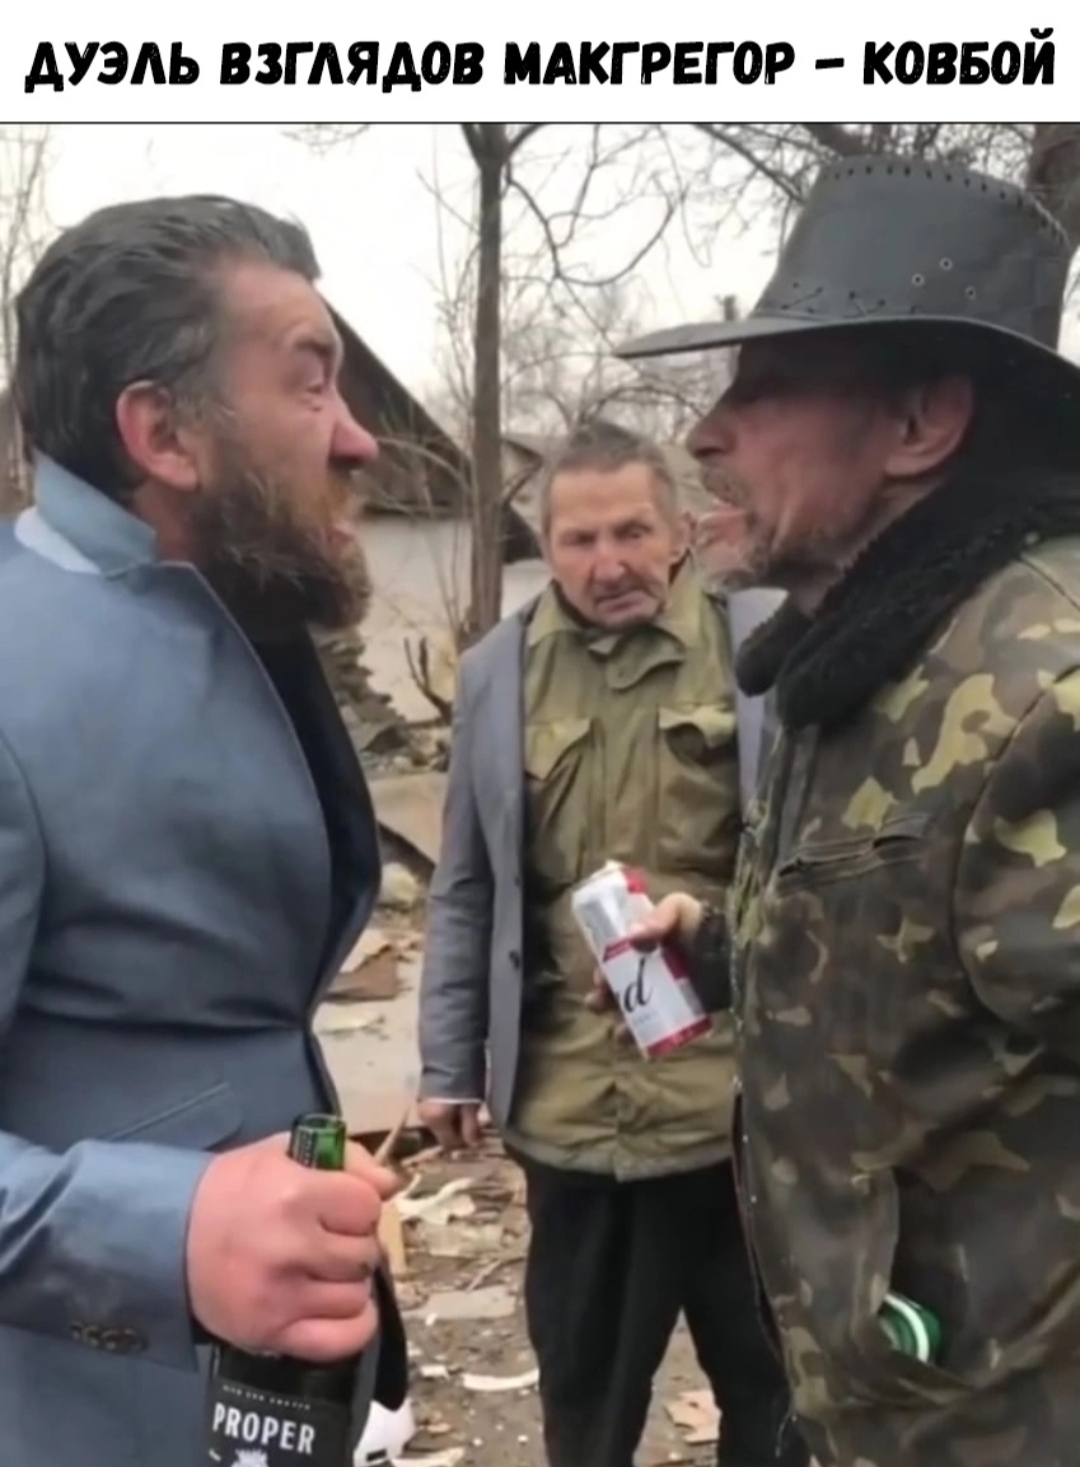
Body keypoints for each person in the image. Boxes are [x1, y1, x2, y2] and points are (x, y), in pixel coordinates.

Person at [608, 156, 1080, 1466]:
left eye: (763, 390)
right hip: (882, 1417)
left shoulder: (1047, 688)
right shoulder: (872, 653)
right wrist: (725, 947)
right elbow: (926, 945)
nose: (707, 435)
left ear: (921, 421)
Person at [0, 196, 407, 1467]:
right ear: (164, 433)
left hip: (269, 1404)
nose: (360, 439)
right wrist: (167, 1231)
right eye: (312, 382)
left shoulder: (235, 608)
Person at [417, 420, 805, 1467]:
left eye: (632, 531)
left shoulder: (765, 646)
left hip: (741, 1117)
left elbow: (817, 865)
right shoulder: (499, 672)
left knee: (779, 1407)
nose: (608, 563)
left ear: (681, 532)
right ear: (546, 549)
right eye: (579, 540)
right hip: (575, 1121)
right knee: (585, 1414)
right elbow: (467, 883)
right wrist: (448, 1062)